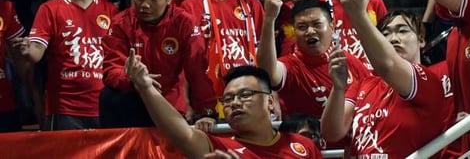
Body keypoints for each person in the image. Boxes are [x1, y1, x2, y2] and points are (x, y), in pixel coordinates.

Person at [320, 0, 453, 154]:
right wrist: (338, 88)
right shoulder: (362, 85)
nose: (393, 39)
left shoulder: (427, 80)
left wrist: (358, 15)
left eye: (402, 31)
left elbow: (388, 65)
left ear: (421, 39)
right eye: (386, 34)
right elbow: (331, 133)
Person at [100, 0, 217, 128]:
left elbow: (198, 72)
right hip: (133, 99)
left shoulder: (184, 23)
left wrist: (207, 114)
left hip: (169, 105)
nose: (145, 4)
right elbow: (111, 70)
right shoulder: (120, 23)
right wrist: (134, 79)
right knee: (108, 95)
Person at [14, 0, 118, 129]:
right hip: (64, 109)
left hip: (104, 108)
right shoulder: (49, 9)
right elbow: (37, 51)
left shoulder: (111, 12)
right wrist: (27, 49)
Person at [126, 61, 323, 158]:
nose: (235, 103)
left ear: (270, 101)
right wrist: (146, 88)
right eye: (228, 99)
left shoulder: (303, 145)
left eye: (245, 95)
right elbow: (181, 133)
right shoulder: (219, 149)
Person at [258, 0, 368, 118]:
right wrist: (269, 19)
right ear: (294, 32)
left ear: (332, 26)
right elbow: (267, 72)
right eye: (302, 27)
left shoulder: (347, 60)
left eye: (317, 24)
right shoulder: (291, 66)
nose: (310, 31)